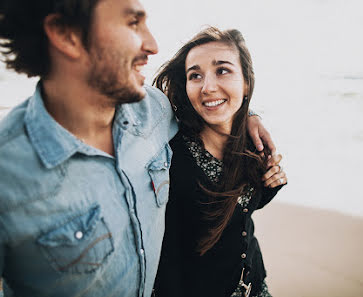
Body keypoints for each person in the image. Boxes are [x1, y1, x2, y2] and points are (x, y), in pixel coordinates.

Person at [0, 1, 275, 296]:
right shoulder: (9, 177)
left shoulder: (154, 111)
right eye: (133, 23)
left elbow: (211, 104)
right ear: (66, 35)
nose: (152, 45)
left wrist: (248, 116)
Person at [153, 27, 287, 297]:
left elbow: (242, 210)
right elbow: (167, 259)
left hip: (255, 285)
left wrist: (270, 185)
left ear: (246, 82)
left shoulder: (250, 144)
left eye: (222, 70)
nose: (208, 87)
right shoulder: (170, 158)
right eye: (195, 75)